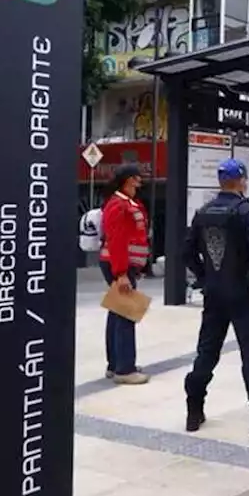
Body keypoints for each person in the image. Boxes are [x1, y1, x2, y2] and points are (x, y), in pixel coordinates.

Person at [183, 158, 249, 438]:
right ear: (241, 180)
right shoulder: (246, 212)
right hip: (243, 294)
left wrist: (205, 277)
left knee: (207, 351)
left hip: (215, 294)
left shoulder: (203, 212)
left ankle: (194, 409)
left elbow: (187, 251)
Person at [100, 165, 151, 385]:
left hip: (125, 266)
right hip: (118, 265)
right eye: (137, 179)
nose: (140, 183)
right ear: (129, 180)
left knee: (117, 312)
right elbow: (117, 240)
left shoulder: (126, 203)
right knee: (126, 314)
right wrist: (121, 274)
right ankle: (124, 369)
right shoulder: (118, 205)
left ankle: (116, 364)